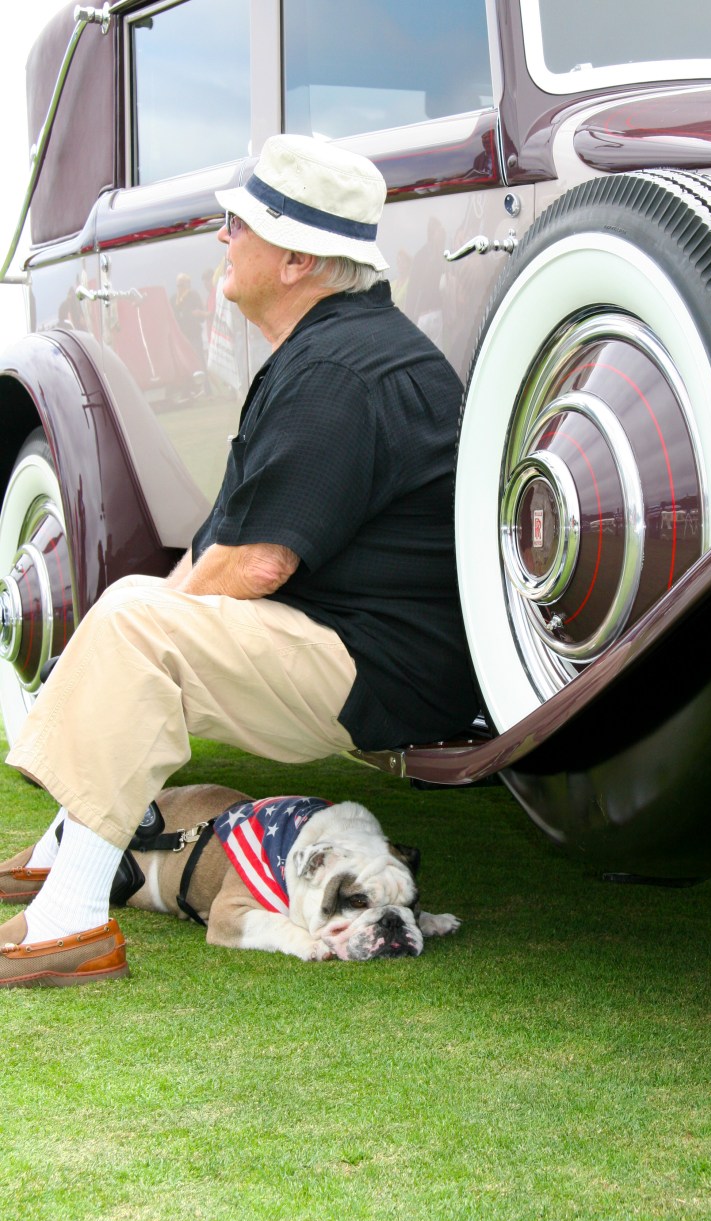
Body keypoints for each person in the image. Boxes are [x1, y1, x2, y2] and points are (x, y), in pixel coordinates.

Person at [0, 134, 479, 988]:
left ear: (295, 257)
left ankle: (68, 918)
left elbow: (256, 564)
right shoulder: (329, 348)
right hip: (351, 645)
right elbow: (214, 552)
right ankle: (69, 848)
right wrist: (144, 612)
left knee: (136, 627)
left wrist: (139, 628)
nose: (222, 237)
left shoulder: (341, 368)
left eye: (239, 223)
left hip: (382, 671)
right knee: (136, 610)